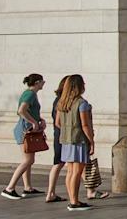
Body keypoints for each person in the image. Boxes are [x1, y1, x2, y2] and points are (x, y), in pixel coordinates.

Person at [56, 73, 97, 211]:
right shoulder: (82, 103)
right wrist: (91, 141)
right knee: (77, 173)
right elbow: (85, 125)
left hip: (66, 140)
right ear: (79, 86)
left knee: (70, 171)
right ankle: (74, 202)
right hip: (79, 140)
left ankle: (73, 199)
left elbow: (58, 123)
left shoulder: (61, 103)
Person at [1, 73, 46, 200]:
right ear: (37, 82)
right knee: (28, 160)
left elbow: (28, 111)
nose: (43, 84)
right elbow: (21, 110)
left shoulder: (30, 93)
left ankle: (28, 187)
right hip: (25, 129)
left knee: (28, 160)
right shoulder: (30, 94)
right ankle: (9, 188)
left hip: (25, 128)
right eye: (42, 81)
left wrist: (39, 119)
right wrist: (33, 122)